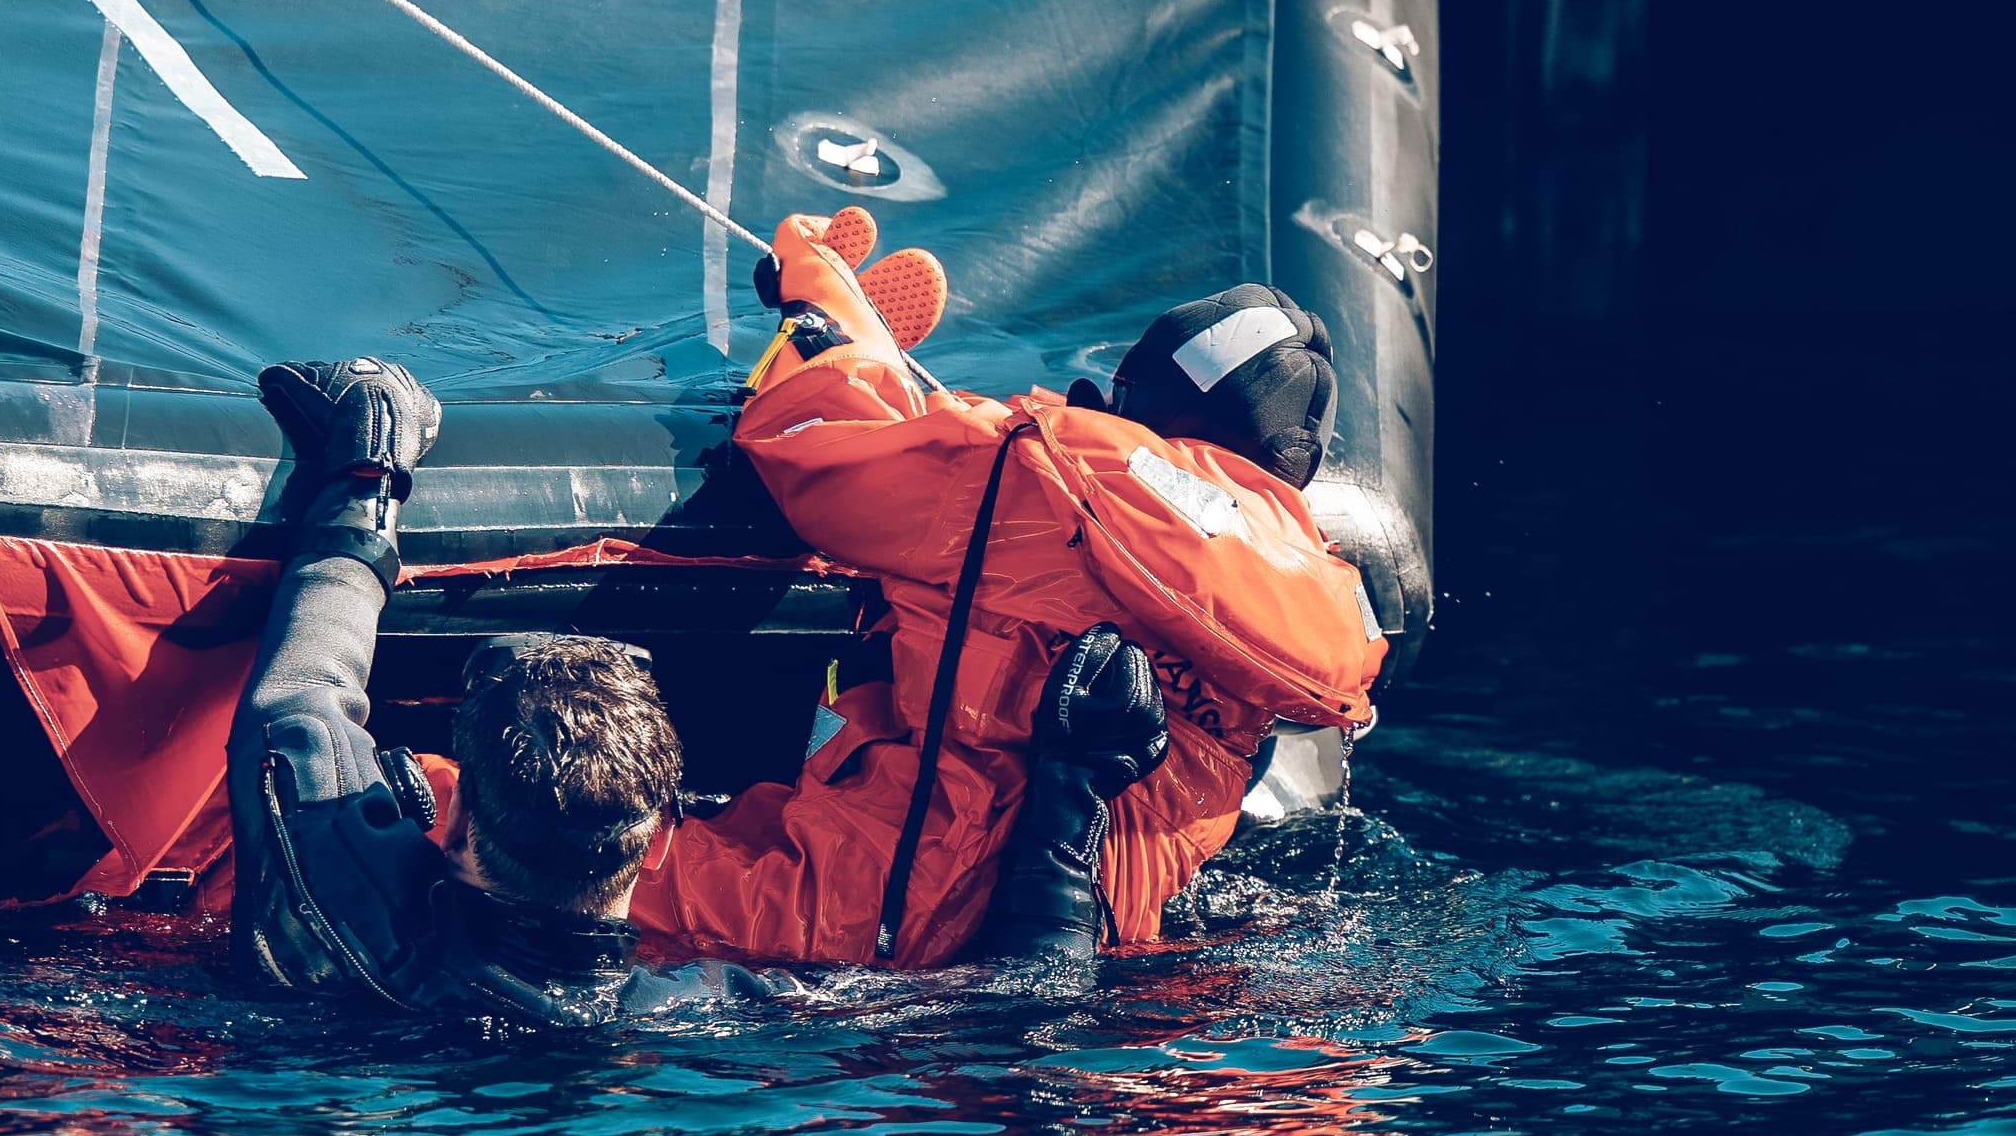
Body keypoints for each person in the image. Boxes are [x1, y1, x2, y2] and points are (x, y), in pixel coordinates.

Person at [226, 358, 1164, 1022]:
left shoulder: (352, 910)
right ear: (651, 850)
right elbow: (1025, 998)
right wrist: (1073, 784)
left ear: (459, 825)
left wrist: (368, 471)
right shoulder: (702, 1012)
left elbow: (303, 697)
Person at [630, 212, 1386, 964]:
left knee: (557, 859)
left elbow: (816, 447)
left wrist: (821, 302)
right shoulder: (1299, 608)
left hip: (844, 918)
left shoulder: (1044, 478)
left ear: (1137, 402)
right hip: (1093, 952)